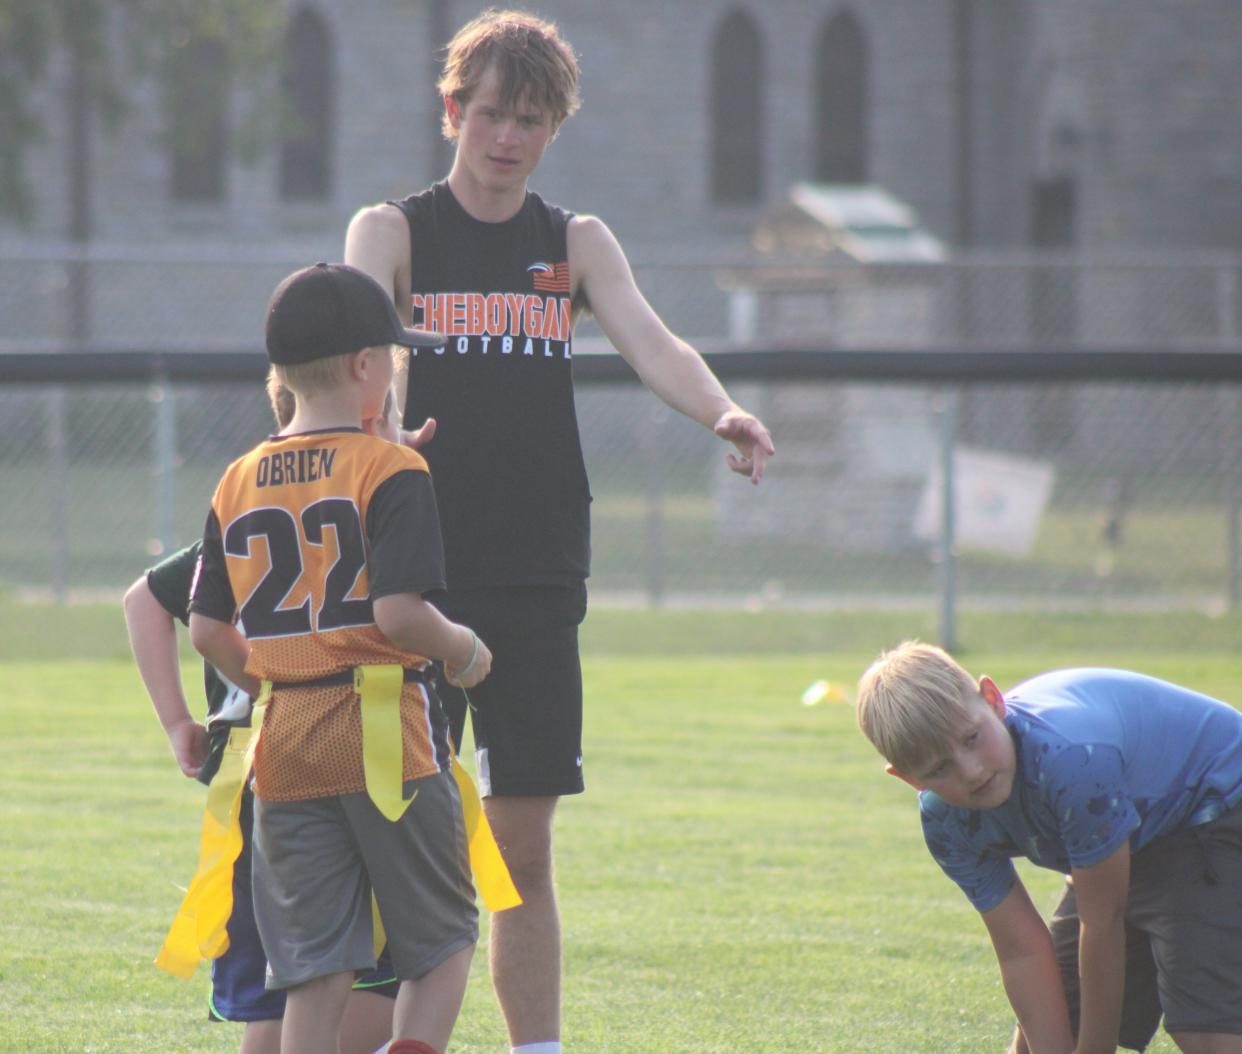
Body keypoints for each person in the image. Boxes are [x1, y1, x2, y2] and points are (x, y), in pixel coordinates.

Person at [344, 11, 775, 1051]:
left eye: (529, 120)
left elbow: (651, 338)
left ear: (552, 130)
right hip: (413, 582)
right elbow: (354, 343)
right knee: (391, 845)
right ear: (453, 110)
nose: (505, 136)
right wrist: (384, 420)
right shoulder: (392, 231)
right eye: (490, 112)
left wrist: (720, 408)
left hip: (537, 575)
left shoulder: (574, 241)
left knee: (521, 853)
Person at [188, 261, 493, 1054]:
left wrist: (281, 676)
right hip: (384, 728)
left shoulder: (237, 477)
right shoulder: (392, 468)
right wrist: (464, 651)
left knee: (314, 969)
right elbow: (399, 611)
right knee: (444, 937)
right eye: (392, 357)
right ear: (365, 366)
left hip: (286, 742)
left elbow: (206, 631)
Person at [124, 379, 406, 1054]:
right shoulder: (370, 505)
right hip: (336, 752)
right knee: (382, 983)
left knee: (281, 991)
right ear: (368, 412)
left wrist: (177, 723)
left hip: (250, 774)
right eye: (393, 410)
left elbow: (144, 599)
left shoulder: (251, 507)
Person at [855, 640, 1242, 1054]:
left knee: (1207, 1033)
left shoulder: (1070, 760)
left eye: (971, 738)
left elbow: (1103, 920)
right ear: (909, 778)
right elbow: (1022, 951)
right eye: (938, 768)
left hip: (1213, 804)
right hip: (1130, 833)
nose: (971, 771)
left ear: (993, 700)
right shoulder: (944, 820)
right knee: (1049, 1032)